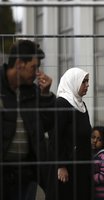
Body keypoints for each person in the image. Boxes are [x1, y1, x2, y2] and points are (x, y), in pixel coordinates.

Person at [0, 39, 55, 200]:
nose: (37, 72)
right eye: (34, 67)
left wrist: (46, 95)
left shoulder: (33, 92)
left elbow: (47, 124)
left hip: (26, 175)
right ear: (19, 64)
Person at [46, 67, 92, 200]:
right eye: (84, 82)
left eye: (87, 81)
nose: (87, 85)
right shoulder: (61, 104)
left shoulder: (81, 105)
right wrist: (61, 165)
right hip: (67, 169)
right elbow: (55, 137)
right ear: (73, 82)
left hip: (81, 167)